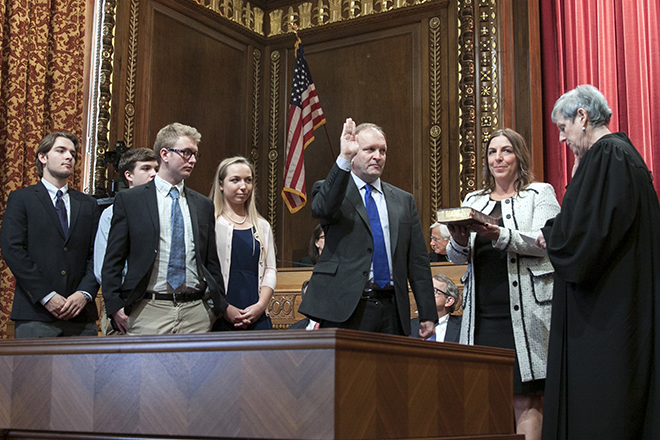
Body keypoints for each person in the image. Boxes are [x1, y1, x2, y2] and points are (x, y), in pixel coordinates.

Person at [539, 85, 660, 439]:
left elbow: (582, 238)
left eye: (563, 128)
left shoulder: (607, 156)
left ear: (583, 117)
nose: (562, 138)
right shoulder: (625, 153)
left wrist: (553, 234)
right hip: (627, 304)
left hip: (606, 313)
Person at [446, 128, 560, 440]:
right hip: (481, 316)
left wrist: (499, 234)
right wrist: (456, 240)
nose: (498, 158)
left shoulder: (539, 194)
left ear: (519, 157)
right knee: (481, 398)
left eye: (506, 151)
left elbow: (546, 241)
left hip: (526, 316)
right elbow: (459, 258)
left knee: (526, 398)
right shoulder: (473, 199)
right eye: (493, 152)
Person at [298, 118, 436, 338]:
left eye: (382, 151)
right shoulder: (331, 190)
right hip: (345, 307)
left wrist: (428, 313)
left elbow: (417, 260)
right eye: (370, 149)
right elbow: (322, 209)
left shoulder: (403, 200)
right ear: (354, 153)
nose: (378, 156)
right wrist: (343, 157)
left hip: (392, 307)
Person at [102, 122, 231, 335]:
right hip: (148, 310)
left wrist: (217, 306)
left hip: (196, 313)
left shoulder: (202, 205)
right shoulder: (130, 200)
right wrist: (115, 307)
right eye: (186, 153)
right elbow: (113, 260)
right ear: (165, 154)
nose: (192, 160)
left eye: (195, 154)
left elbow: (210, 262)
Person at [0, 132, 99, 338]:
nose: (69, 157)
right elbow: (13, 250)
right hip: (35, 314)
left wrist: (84, 294)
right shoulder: (22, 199)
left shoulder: (88, 204)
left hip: (81, 317)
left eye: (73, 153)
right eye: (61, 151)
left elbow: (97, 255)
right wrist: (46, 296)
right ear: (42, 157)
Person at [93, 147, 158, 335]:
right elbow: (103, 266)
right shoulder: (110, 214)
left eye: (156, 169)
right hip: (123, 301)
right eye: (146, 169)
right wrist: (116, 305)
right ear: (129, 175)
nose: (153, 174)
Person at [209, 156, 276, 331]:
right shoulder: (211, 223)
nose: (243, 186)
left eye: (248, 180)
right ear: (221, 185)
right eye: (235, 180)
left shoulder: (262, 226)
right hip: (220, 311)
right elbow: (204, 271)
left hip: (256, 311)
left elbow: (270, 269)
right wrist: (224, 308)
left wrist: (260, 306)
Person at [410, 274, 461, 342]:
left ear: (448, 301)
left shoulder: (462, 327)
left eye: (433, 291)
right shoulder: (410, 326)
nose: (426, 294)